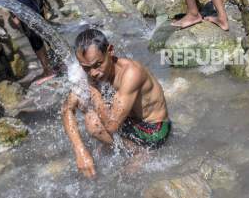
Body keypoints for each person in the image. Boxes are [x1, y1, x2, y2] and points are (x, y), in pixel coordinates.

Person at [62, 28, 170, 179]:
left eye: (98, 64)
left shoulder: (131, 73)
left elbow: (112, 126)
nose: (93, 73)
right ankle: (127, 143)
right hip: (130, 120)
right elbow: (67, 109)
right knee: (82, 105)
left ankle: (140, 152)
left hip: (154, 129)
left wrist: (93, 90)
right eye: (86, 68)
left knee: (93, 123)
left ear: (110, 51)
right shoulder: (88, 68)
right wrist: (80, 151)